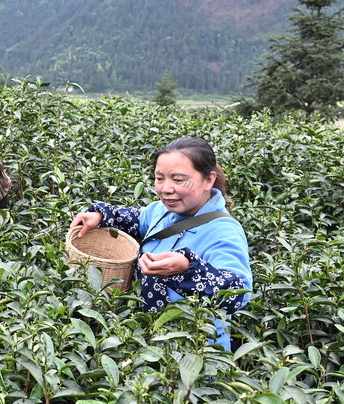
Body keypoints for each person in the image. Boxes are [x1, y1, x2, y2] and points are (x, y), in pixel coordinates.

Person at [69, 137, 252, 350]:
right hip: (148, 341)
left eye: (179, 179)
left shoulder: (223, 231)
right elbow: (137, 218)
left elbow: (238, 293)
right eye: (159, 178)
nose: (166, 188)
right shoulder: (162, 211)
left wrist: (187, 268)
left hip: (194, 351)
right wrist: (102, 215)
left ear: (209, 180)